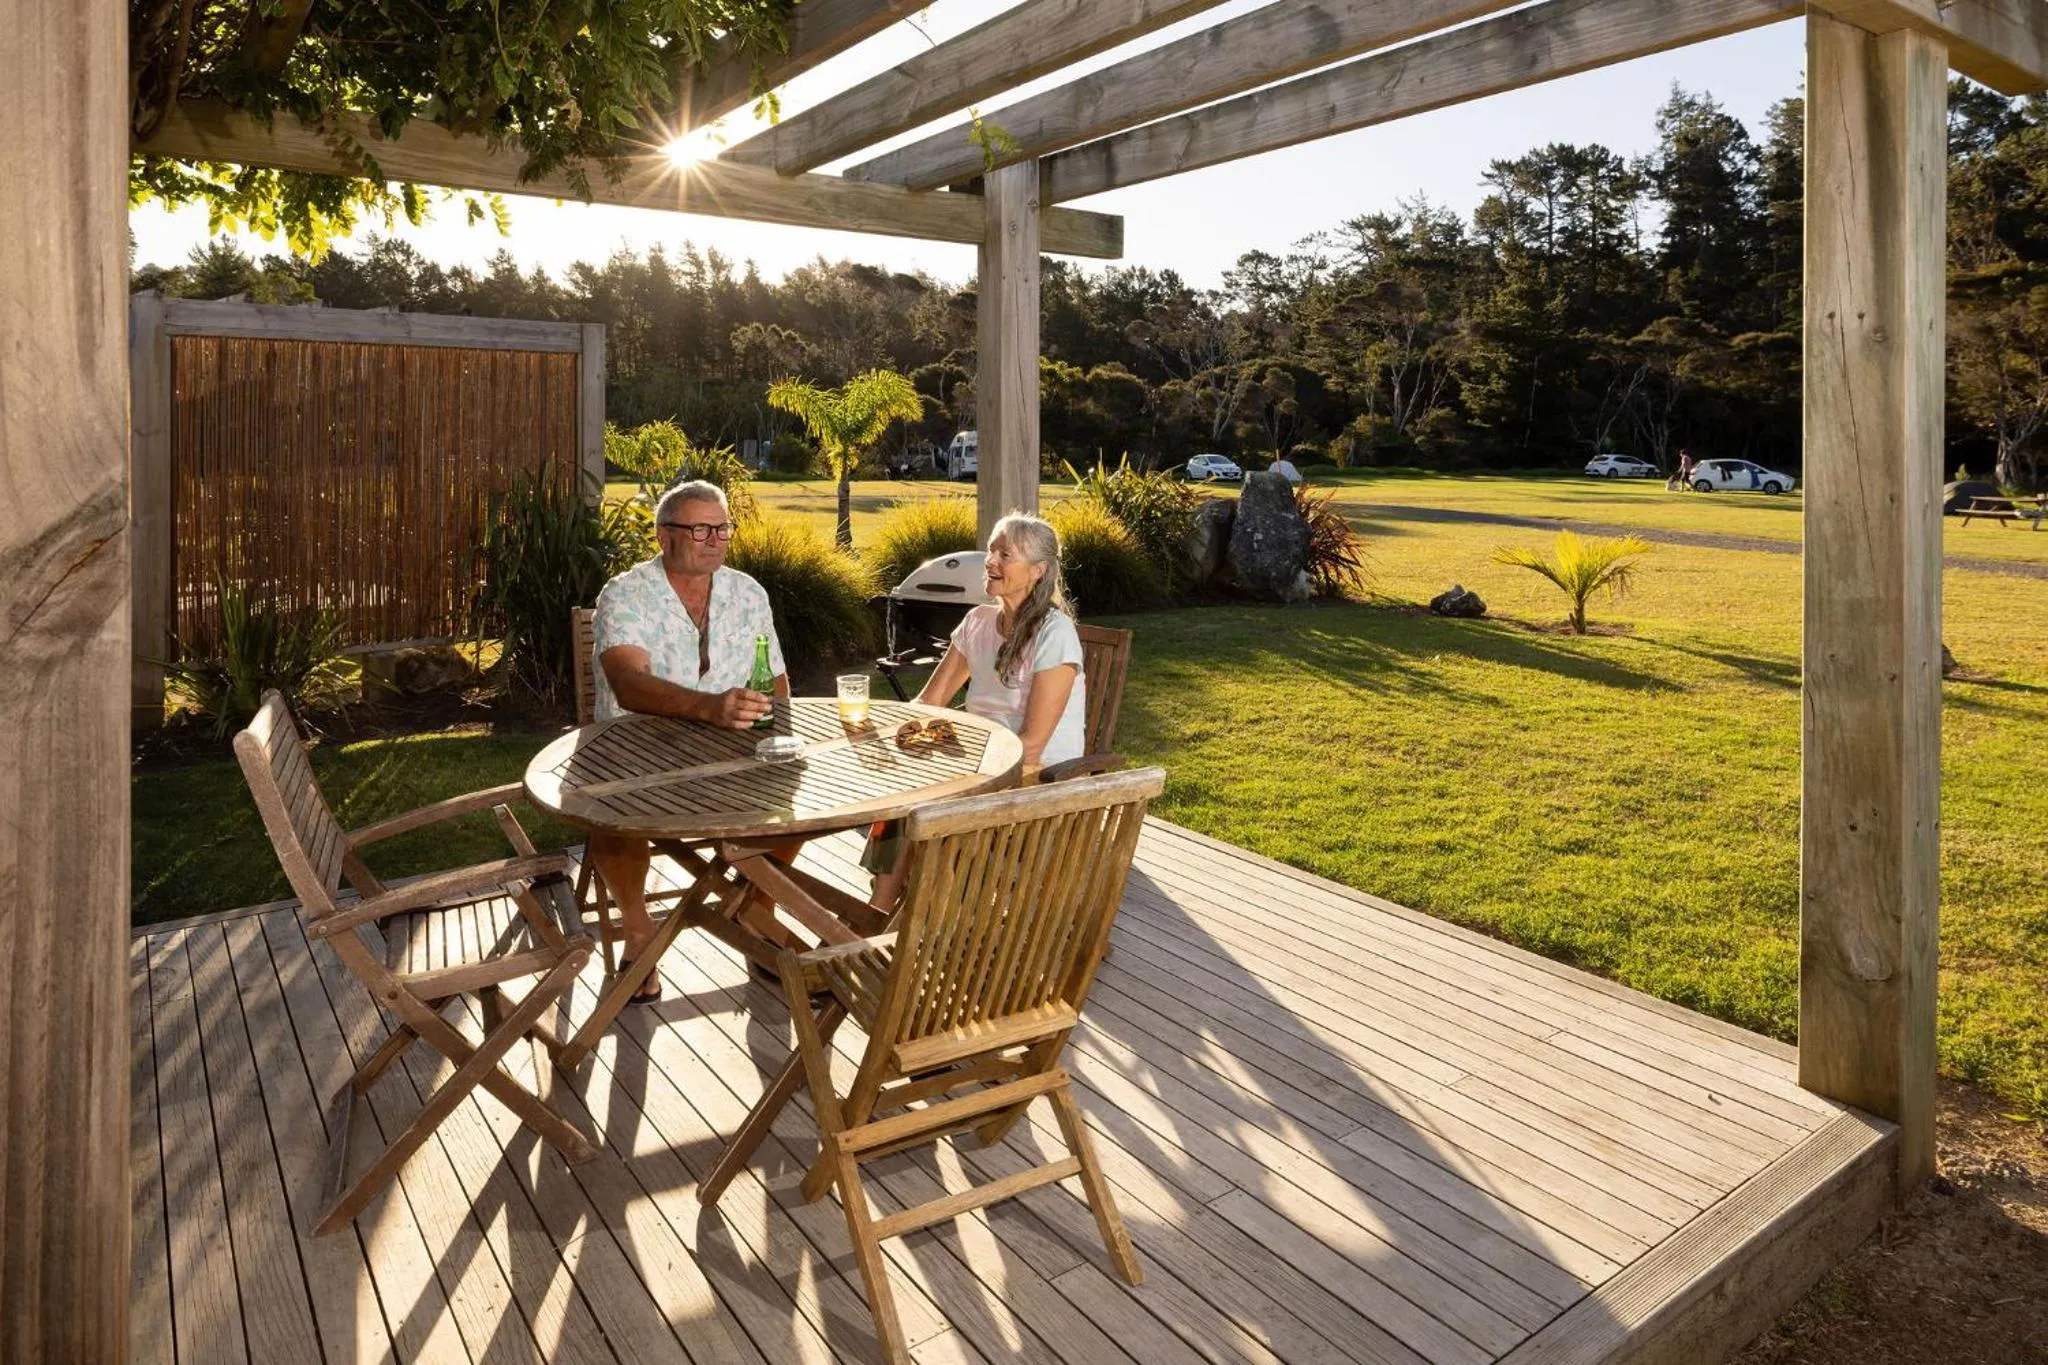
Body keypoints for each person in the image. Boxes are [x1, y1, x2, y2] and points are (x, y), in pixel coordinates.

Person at [588, 479, 789, 999]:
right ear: (663, 535)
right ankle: (638, 932)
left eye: (722, 528)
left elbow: (778, 680)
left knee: (797, 791)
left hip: (730, 747)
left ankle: (755, 907)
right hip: (633, 746)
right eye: (700, 528)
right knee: (610, 810)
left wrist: (777, 725)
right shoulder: (625, 593)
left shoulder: (748, 592)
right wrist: (709, 707)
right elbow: (628, 684)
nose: (714, 539)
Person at [867, 511, 1088, 907]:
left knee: (925, 805)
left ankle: (906, 916)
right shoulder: (979, 620)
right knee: (900, 794)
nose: (991, 561)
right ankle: (881, 912)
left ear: (1037, 571)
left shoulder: (1055, 634)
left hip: (1038, 776)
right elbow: (929, 702)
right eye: (991, 551)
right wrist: (880, 729)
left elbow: (1033, 745)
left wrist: (965, 774)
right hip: (979, 760)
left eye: (1005, 555)